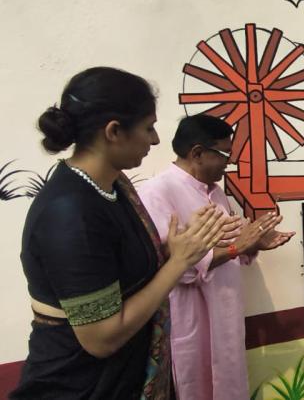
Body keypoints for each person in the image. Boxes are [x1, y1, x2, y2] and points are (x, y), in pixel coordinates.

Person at [12, 67, 225, 399]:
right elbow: (101, 338)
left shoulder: (112, 187)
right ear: (113, 131)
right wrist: (177, 264)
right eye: (148, 127)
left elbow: (123, 272)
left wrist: (177, 248)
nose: (155, 140)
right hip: (80, 387)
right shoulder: (71, 212)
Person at [138, 114, 294, 400]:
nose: (228, 163)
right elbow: (174, 266)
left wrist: (254, 242)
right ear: (197, 153)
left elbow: (232, 245)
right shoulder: (156, 193)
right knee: (195, 385)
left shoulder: (216, 193)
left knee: (228, 381)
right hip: (191, 316)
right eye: (224, 155)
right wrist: (237, 247)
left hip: (226, 313)